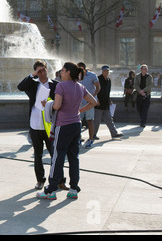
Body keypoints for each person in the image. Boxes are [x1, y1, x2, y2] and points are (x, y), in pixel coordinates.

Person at [37, 62, 97, 200]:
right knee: (73, 158)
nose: (61, 73)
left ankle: (50, 190)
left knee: (57, 157)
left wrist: (48, 104)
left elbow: (57, 105)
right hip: (76, 125)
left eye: (63, 70)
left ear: (69, 72)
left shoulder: (61, 86)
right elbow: (93, 102)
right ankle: (74, 188)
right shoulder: (80, 87)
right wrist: (80, 110)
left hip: (63, 126)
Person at [17, 60, 68, 190]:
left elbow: (63, 102)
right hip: (35, 124)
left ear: (47, 69)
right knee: (38, 154)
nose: (42, 73)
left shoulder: (56, 85)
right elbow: (20, 87)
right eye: (39, 71)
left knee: (55, 154)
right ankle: (40, 180)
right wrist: (32, 75)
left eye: (43, 70)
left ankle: (60, 180)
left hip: (50, 125)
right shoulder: (33, 85)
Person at [93, 65, 123, 140]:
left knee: (109, 120)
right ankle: (93, 135)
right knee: (96, 121)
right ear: (102, 71)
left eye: (107, 71)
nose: (106, 72)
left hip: (106, 103)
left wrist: (109, 100)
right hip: (98, 104)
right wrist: (96, 99)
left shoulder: (109, 80)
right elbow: (94, 90)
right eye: (105, 71)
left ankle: (114, 134)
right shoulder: (98, 79)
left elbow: (107, 92)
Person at [77, 62, 100, 148]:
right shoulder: (77, 75)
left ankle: (91, 139)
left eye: (80, 69)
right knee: (78, 121)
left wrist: (93, 97)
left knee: (90, 120)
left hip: (89, 102)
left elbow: (98, 87)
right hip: (79, 101)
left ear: (84, 68)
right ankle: (78, 138)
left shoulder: (92, 75)